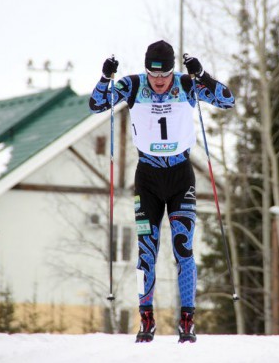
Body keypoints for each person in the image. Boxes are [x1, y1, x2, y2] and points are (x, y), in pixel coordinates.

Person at [88, 40, 235, 343]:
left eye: (164, 75)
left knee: (183, 249)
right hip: (148, 180)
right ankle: (146, 320)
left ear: (173, 71)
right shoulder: (132, 86)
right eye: (153, 75)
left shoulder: (186, 83)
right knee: (146, 253)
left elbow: (227, 100)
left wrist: (202, 74)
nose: (158, 82)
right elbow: (96, 104)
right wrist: (105, 77)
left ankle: (187, 320)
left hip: (181, 177)